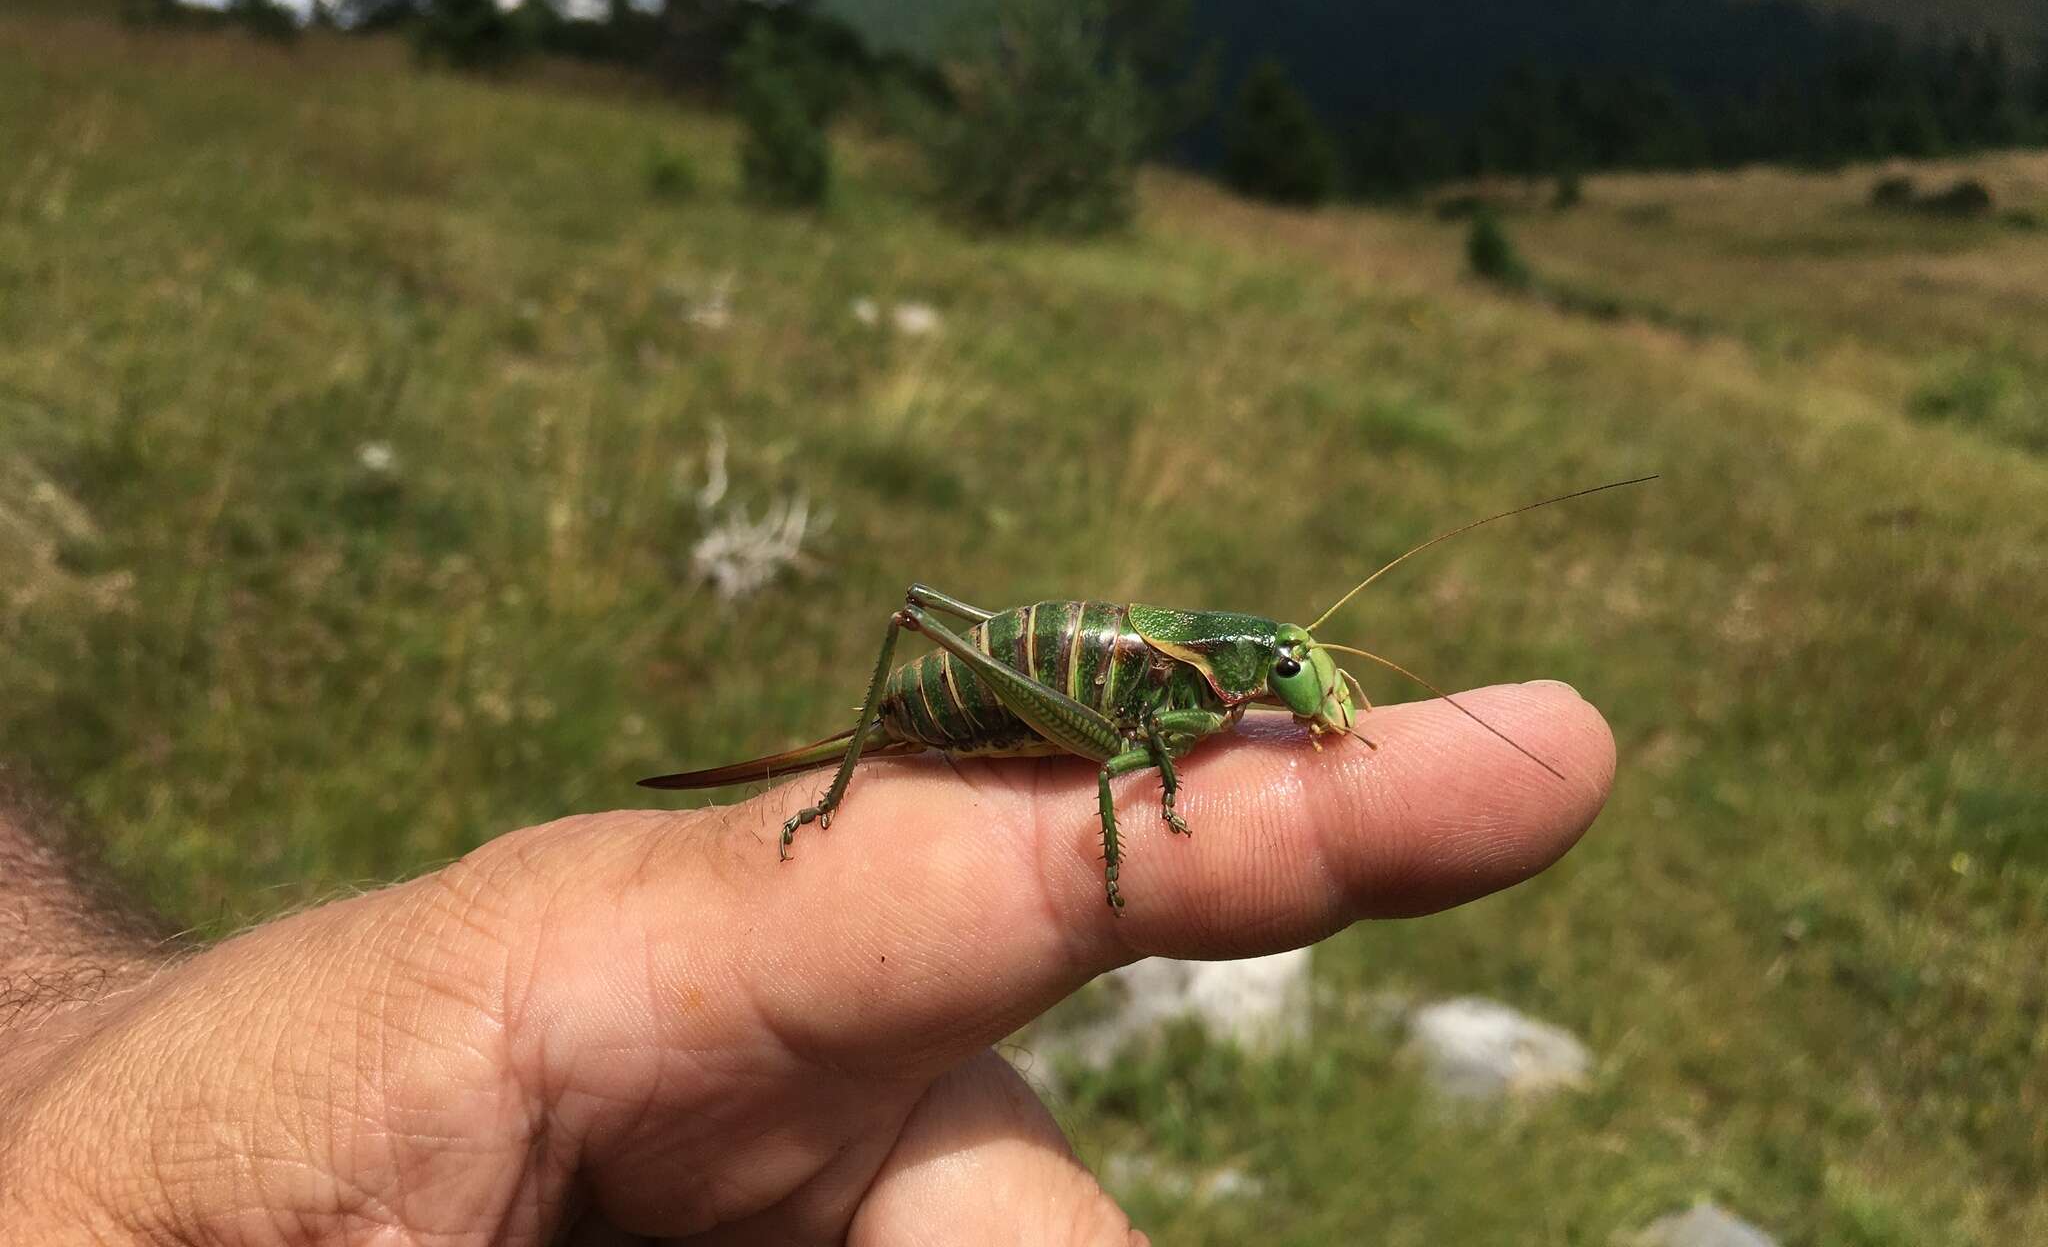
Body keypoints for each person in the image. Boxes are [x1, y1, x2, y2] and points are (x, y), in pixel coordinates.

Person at [0, 683, 1610, 1244]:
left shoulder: (1247, 682)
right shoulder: (1174, 700)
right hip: (1006, 690)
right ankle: (847, 768)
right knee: (1071, 754)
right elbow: (1147, 751)